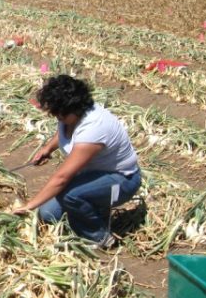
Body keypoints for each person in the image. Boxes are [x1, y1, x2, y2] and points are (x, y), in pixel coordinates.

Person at [12, 74, 141, 248]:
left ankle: (100, 237)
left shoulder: (94, 128)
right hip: (94, 176)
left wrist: (30, 205)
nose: (56, 117)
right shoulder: (69, 116)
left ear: (72, 108)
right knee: (48, 214)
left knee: (70, 195)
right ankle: (94, 206)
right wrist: (48, 149)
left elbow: (62, 178)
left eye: (59, 114)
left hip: (122, 181)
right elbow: (63, 131)